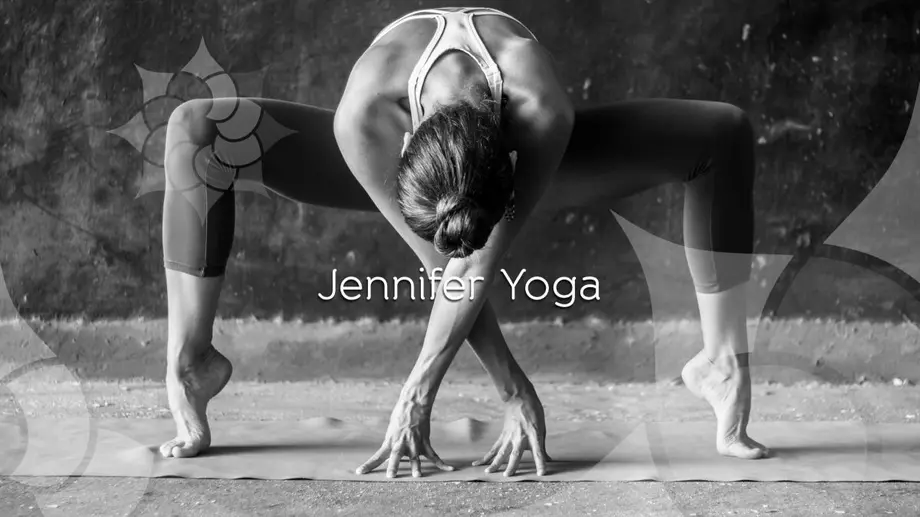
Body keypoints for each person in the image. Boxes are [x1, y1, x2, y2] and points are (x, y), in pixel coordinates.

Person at [157, 6, 769, 477]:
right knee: (196, 129)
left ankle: (720, 363)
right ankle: (191, 363)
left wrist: (425, 392)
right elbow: (448, 267)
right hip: (395, 152)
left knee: (723, 131)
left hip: (525, 155)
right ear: (404, 151)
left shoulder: (540, 111)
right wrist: (506, 387)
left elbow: (471, 268)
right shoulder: (365, 116)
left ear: (510, 170)